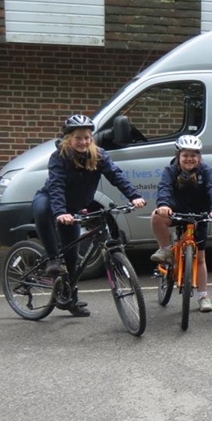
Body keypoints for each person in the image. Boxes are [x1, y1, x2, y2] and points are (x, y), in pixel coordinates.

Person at [31, 114, 147, 317]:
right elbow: (57, 185)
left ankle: (70, 300)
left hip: (74, 207)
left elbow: (115, 175)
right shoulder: (59, 156)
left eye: (87, 137)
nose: (83, 142)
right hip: (51, 200)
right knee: (41, 211)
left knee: (73, 256)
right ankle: (51, 259)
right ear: (69, 138)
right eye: (78, 137)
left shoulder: (99, 155)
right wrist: (60, 212)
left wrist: (134, 196)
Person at [151, 135, 212, 313]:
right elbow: (164, 188)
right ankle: (166, 250)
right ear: (178, 156)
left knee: (200, 259)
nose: (189, 159)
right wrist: (163, 205)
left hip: (199, 215)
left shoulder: (206, 171)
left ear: (199, 157)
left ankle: (203, 296)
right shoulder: (170, 171)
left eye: (194, 155)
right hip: (176, 211)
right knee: (155, 217)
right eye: (185, 155)